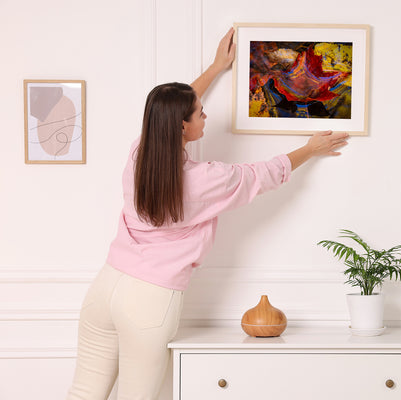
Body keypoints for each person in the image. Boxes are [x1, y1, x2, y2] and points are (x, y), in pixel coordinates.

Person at [66, 28, 349, 400]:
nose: (205, 115)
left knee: (82, 394)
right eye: (199, 113)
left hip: (105, 287)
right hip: (149, 299)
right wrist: (309, 150)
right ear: (182, 125)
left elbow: (169, 110)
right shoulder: (202, 180)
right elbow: (260, 175)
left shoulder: (140, 154)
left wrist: (217, 68)